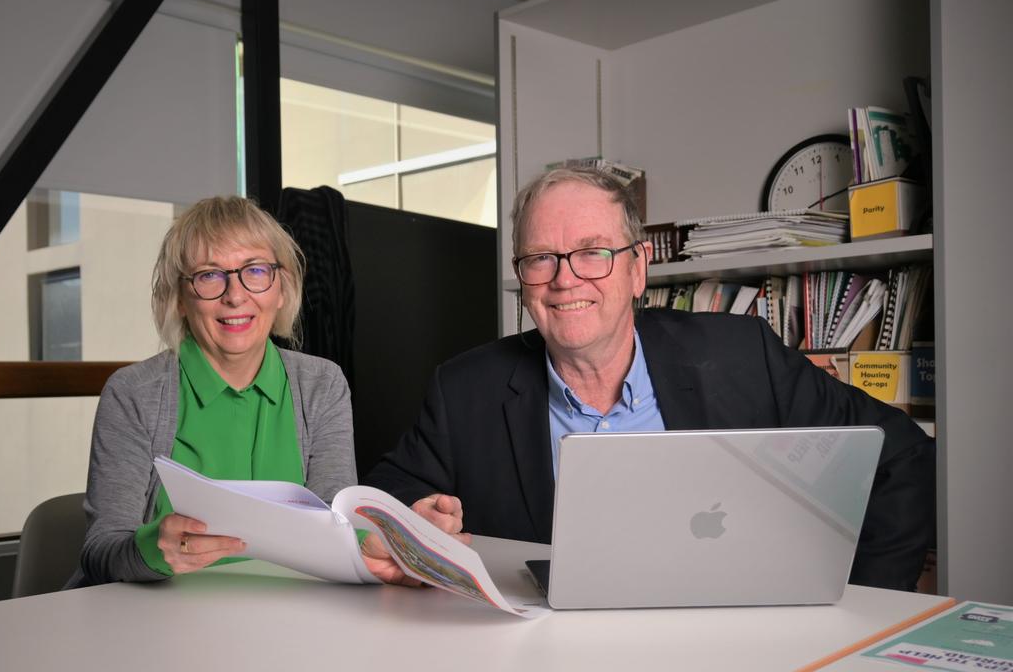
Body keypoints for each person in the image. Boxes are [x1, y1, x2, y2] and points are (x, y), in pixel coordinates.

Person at [363, 167, 935, 591]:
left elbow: (900, 455)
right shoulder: (467, 388)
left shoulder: (741, 356)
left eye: (592, 253)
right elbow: (384, 496)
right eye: (541, 257)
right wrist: (408, 523)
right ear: (523, 278)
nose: (565, 280)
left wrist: (863, 599)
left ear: (638, 268)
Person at [75, 196, 416, 586]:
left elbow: (335, 529)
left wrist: (392, 539)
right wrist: (152, 549)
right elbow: (100, 552)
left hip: (283, 619)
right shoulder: (133, 394)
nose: (235, 295)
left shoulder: (322, 385)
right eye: (209, 275)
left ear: (282, 289)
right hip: (153, 626)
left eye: (254, 271)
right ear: (180, 299)